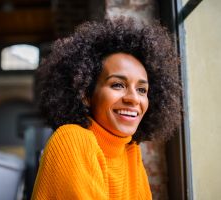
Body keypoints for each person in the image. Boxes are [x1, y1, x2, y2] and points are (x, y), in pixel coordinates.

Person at [31, 17, 181, 200]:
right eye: (118, 85)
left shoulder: (130, 151)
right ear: (86, 94)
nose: (134, 98)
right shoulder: (72, 139)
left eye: (142, 89)